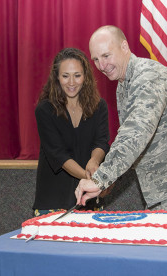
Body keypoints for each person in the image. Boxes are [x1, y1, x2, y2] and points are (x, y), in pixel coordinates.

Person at [75, 25, 167, 214]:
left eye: (106, 56)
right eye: (96, 59)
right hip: (161, 190)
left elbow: (136, 133)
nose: (101, 66)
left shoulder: (148, 75)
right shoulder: (124, 84)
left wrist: (101, 178)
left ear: (124, 46)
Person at [33, 47, 110, 216]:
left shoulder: (99, 106)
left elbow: (102, 141)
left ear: (86, 77)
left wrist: (94, 161)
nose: (71, 82)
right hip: (53, 200)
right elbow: (58, 155)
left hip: (90, 200)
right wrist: (92, 180)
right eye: (65, 76)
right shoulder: (45, 109)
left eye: (77, 75)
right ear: (57, 77)